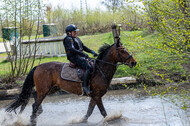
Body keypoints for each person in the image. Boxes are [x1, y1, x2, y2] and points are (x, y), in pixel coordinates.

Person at [63, 24, 98, 95]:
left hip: (80, 56)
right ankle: (85, 87)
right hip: (73, 57)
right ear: (69, 32)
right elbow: (71, 49)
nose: (76, 32)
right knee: (88, 67)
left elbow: (83, 47)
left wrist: (92, 52)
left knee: (94, 63)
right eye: (74, 31)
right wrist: (83, 54)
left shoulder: (76, 38)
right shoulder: (68, 39)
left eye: (75, 31)